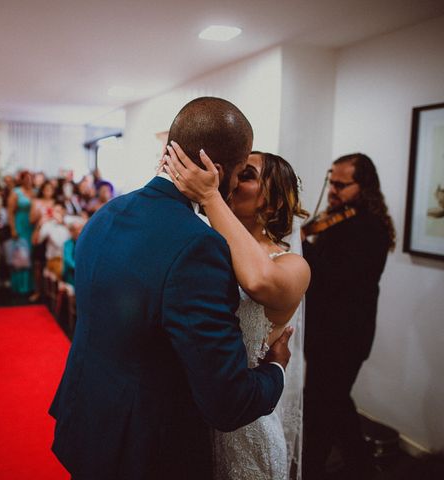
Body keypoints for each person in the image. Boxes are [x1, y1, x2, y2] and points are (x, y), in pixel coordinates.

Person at [49, 97, 293, 479]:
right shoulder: (198, 245)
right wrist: (276, 367)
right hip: (144, 448)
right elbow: (226, 402)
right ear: (221, 169)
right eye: (242, 170)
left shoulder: (108, 213)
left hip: (87, 420)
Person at [164, 147, 310, 479]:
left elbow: (258, 280)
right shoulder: (202, 243)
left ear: (273, 202)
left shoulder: (292, 264)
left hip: (244, 419)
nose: (230, 179)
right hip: (189, 412)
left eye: (246, 175)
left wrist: (211, 196)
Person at [302, 153, 394, 479]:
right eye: (332, 182)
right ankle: (362, 466)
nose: (333, 191)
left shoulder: (369, 227)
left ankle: (313, 469)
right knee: (334, 404)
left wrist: (300, 249)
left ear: (363, 186)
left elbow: (335, 277)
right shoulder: (338, 218)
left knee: (322, 408)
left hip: (346, 335)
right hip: (326, 331)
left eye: (342, 185)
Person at [7, 171, 35, 295]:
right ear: (22, 179)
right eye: (26, 178)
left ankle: (29, 285)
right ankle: (19, 286)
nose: (28, 180)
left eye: (30, 178)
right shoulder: (16, 192)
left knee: (31, 253)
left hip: (31, 226)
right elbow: (10, 212)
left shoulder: (34, 192)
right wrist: (13, 229)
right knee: (20, 254)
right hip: (20, 223)